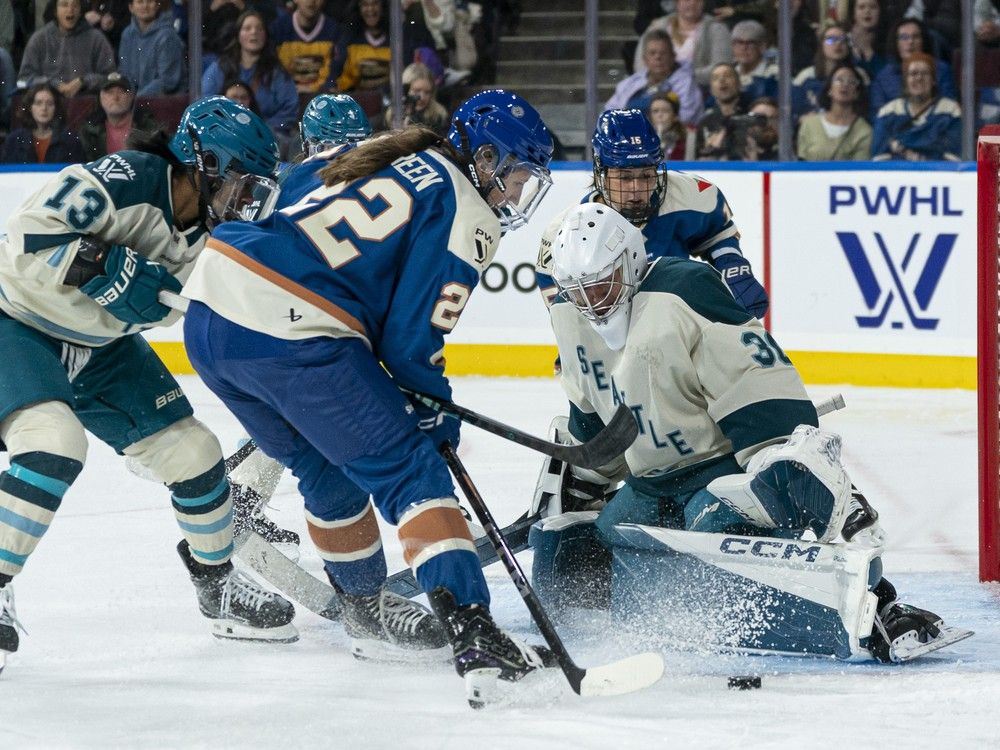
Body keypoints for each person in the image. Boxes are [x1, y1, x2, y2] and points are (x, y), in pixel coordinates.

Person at [179, 90, 557, 684]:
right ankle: (477, 635)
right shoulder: (468, 208)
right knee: (414, 473)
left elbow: (293, 211)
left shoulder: (381, 152)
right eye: (515, 178)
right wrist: (435, 416)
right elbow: (410, 342)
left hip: (211, 314)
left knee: (326, 471)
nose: (514, 195)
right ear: (484, 159)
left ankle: (365, 615)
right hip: (293, 329)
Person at [532, 201, 970, 663]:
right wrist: (585, 480)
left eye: (602, 284)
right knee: (599, 536)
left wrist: (779, 454)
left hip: (715, 471)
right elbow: (591, 412)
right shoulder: (569, 316)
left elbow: (751, 379)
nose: (592, 302)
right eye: (578, 291)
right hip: (649, 482)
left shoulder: (684, 290)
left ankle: (878, 606)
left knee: (716, 535)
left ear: (631, 261)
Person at [0, 96, 295, 674]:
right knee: (53, 444)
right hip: (18, 321)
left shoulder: (216, 236)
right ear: (205, 164)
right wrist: (102, 267)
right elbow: (28, 237)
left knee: (196, 453)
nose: (245, 204)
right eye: (241, 186)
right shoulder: (129, 179)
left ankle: (216, 584)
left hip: (103, 348)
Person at [536, 108, 768, 323]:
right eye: (625, 177)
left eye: (646, 176)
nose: (637, 188)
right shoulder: (566, 232)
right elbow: (557, 298)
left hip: (676, 322)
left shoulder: (689, 195)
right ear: (601, 174)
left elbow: (716, 234)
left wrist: (733, 268)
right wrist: (581, 331)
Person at [201, 10, 299, 134]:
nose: (254, 32)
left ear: (266, 35)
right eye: (247, 28)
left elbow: (290, 109)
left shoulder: (276, 73)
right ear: (238, 35)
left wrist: (261, 130)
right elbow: (206, 103)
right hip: (225, 135)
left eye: (259, 29)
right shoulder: (219, 68)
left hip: (266, 136)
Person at [871, 52, 961, 161]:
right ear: (905, 81)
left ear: (933, 80)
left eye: (925, 73)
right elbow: (879, 160)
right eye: (913, 74)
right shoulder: (888, 112)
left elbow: (953, 159)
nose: (919, 78)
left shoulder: (951, 111)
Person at [17, 0, 115, 98]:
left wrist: (84, 81)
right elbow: (23, 80)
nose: (70, 9)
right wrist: (53, 84)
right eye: (64, 5)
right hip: (48, 102)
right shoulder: (39, 39)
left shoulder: (97, 39)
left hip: (87, 101)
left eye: (75, 5)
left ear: (80, 11)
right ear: (55, 11)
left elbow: (111, 77)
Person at [605, 28, 704, 126]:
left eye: (663, 53)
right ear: (645, 59)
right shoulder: (630, 83)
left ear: (673, 56)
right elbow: (608, 113)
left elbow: (686, 118)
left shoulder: (686, 83)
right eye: (652, 53)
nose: (658, 57)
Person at [633, 0, 733, 88]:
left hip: (702, 91)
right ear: (677, 3)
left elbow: (720, 67)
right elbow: (640, 63)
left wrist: (681, 78)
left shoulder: (717, 29)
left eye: (697, 0)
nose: (692, 3)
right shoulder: (657, 27)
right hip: (656, 89)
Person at [868, 18, 957, 114]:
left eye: (916, 37)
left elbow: (949, 107)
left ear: (923, 41)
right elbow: (877, 114)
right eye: (904, 37)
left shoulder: (941, 70)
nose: (910, 41)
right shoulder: (883, 77)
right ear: (896, 43)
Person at [796, 63, 873, 160]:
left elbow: (860, 167)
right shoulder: (809, 125)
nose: (844, 85)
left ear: (857, 93)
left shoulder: (864, 131)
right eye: (839, 80)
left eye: (851, 81)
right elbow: (801, 163)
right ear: (830, 90)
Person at [79, 73, 160, 162]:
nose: (115, 97)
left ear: (131, 97)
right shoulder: (89, 129)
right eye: (110, 92)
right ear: (100, 98)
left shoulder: (148, 126)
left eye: (121, 91)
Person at [1, 82, 84, 164]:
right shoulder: (14, 140)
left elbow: (78, 170)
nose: (44, 108)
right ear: (30, 107)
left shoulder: (70, 140)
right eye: (38, 103)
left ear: (56, 108)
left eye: (49, 104)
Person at [272, 0, 343, 94]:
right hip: (285, 96)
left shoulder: (335, 30)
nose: (311, 1)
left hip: (322, 96)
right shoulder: (278, 29)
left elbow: (335, 72)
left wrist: (315, 88)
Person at [116, 0, 186, 96]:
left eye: (149, 1)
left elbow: (167, 81)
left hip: (166, 100)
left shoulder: (168, 36)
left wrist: (137, 99)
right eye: (140, 2)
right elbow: (124, 73)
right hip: (135, 100)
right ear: (131, 7)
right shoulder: (127, 34)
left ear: (157, 5)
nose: (145, 6)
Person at [694, 62, 746, 160]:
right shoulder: (705, 122)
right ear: (711, 89)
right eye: (715, 78)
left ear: (739, 83)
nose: (722, 80)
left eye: (727, 76)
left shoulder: (749, 115)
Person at [385, 62, 449, 136]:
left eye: (427, 92)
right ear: (405, 89)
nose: (422, 97)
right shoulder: (392, 115)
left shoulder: (439, 117)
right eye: (416, 91)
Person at [730, 19, 777, 102]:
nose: (744, 48)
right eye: (739, 42)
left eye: (750, 43)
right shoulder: (728, 73)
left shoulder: (774, 75)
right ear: (732, 46)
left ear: (762, 46)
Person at [646, 90, 686, 161]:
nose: (660, 115)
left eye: (665, 111)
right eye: (655, 111)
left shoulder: (685, 142)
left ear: (675, 116)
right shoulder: (642, 142)